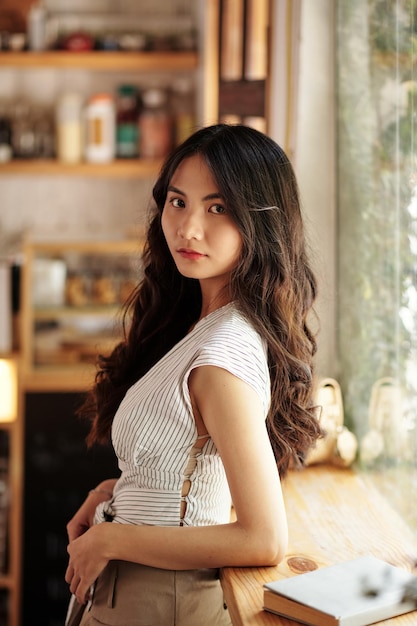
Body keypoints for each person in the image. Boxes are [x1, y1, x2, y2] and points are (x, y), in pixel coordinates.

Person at [65, 123, 322, 626]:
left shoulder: (221, 354)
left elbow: (264, 537)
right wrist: (113, 495)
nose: (188, 228)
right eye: (179, 202)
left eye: (218, 208)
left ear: (261, 222)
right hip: (138, 588)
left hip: (162, 600)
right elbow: (189, 465)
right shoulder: (199, 323)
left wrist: (114, 536)